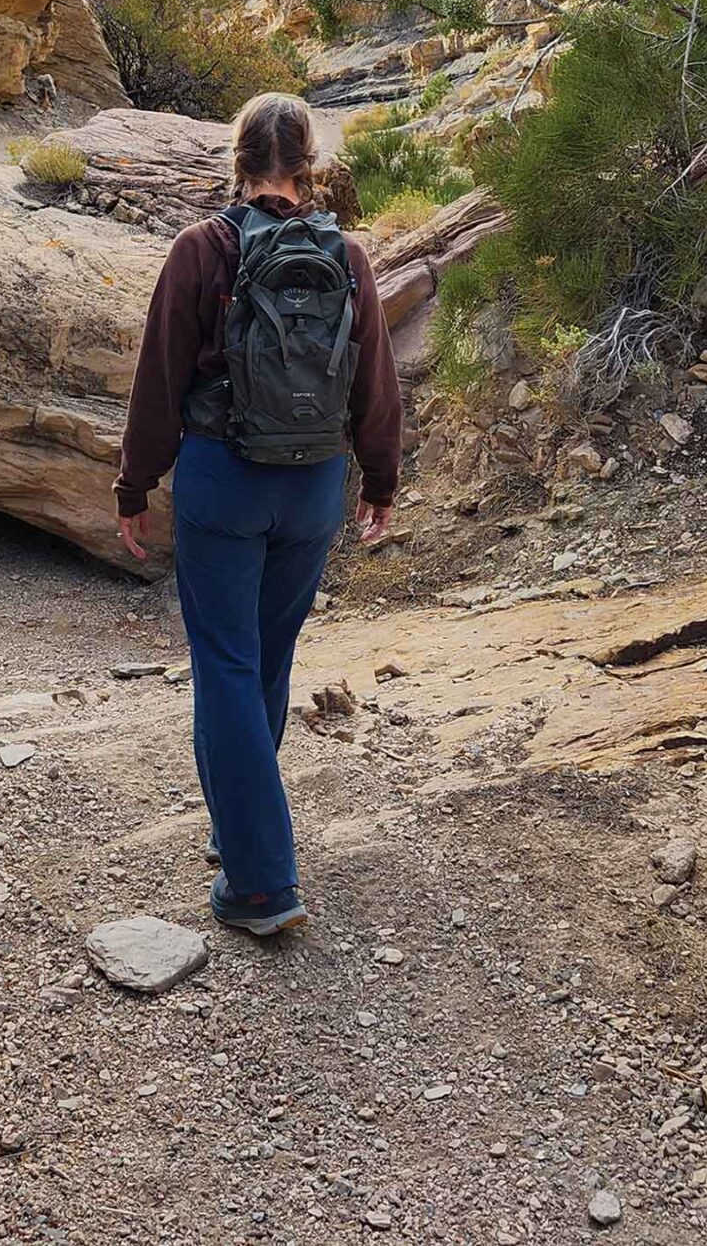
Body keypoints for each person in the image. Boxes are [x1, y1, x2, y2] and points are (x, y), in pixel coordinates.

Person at [115, 91, 402, 936]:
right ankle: (239, 825)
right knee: (267, 659)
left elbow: (159, 380)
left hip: (225, 484)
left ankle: (262, 883)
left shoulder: (202, 250)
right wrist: (378, 481)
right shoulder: (347, 255)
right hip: (312, 488)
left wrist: (135, 484)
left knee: (227, 665)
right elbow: (373, 381)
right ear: (307, 168)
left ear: (238, 161)